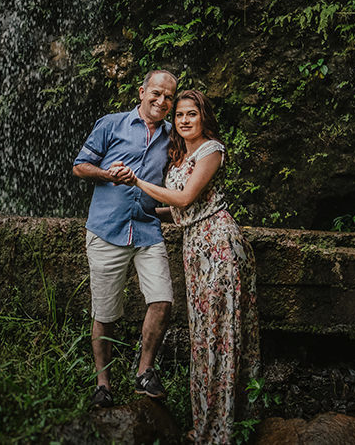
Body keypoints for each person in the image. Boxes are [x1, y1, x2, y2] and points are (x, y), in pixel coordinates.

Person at [118, 89, 260, 443]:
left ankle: (222, 429)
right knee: (203, 337)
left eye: (191, 114)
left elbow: (184, 198)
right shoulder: (182, 157)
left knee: (220, 335)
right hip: (195, 245)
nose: (183, 120)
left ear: (203, 117)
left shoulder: (212, 150)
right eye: (179, 115)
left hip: (219, 244)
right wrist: (143, 208)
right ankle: (207, 423)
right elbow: (180, 210)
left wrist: (137, 181)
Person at [73, 69, 178, 409]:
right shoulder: (112, 124)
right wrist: (108, 175)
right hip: (107, 229)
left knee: (162, 301)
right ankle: (102, 383)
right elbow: (80, 166)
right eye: (156, 93)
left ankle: (144, 372)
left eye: (168, 97)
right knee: (104, 312)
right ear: (142, 91)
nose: (161, 101)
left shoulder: (172, 136)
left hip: (148, 229)